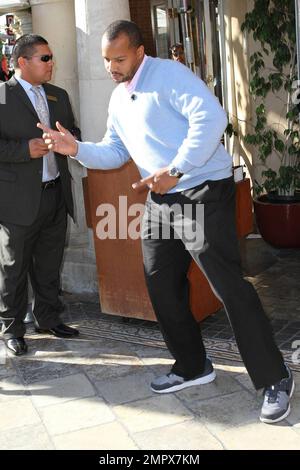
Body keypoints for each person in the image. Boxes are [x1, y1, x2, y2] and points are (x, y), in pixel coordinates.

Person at [38, 20, 294, 424]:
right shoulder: (120, 98)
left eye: (119, 59)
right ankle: (193, 365)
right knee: (159, 280)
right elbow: (115, 151)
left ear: (140, 52)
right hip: (161, 199)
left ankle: (274, 378)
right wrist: (77, 149)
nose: (112, 68)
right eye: (107, 60)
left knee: (226, 285)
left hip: (200, 190)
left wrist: (176, 168)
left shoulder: (170, 75)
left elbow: (213, 119)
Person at [0, 34, 79, 357]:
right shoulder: (2, 97)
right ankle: (11, 328)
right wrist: (23, 150)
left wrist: (69, 139)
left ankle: (47, 318)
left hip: (55, 193)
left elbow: (75, 134)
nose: (51, 64)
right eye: (44, 59)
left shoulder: (58, 95)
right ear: (22, 62)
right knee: (13, 268)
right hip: (16, 201)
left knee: (49, 263)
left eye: (51, 58)